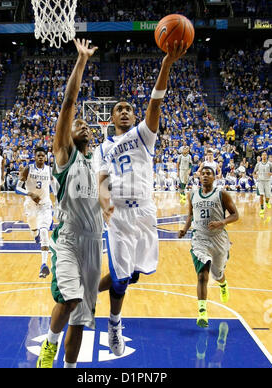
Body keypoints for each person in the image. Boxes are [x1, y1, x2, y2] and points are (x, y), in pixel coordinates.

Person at [97, 40, 188, 356]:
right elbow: (101, 177)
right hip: (119, 215)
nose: (124, 111)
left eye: (127, 109)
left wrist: (166, 65)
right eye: (118, 109)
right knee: (121, 281)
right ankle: (114, 325)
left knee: (133, 274)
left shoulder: (143, 134)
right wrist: (102, 196)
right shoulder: (103, 147)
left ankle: (85, 289)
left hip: (145, 212)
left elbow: (155, 102)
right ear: (110, 118)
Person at [36, 38, 102, 369]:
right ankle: (49, 343)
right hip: (69, 240)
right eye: (79, 124)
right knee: (71, 298)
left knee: (82, 316)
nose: (83, 125)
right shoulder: (65, 155)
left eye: (87, 124)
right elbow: (68, 103)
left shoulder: (97, 161)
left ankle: (70, 367)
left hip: (94, 244)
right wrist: (81, 61)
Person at [179, 166, 239, 328]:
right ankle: (202, 312)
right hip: (200, 238)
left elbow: (235, 215)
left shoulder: (222, 194)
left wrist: (222, 222)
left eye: (209, 174)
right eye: (203, 174)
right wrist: (185, 229)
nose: (205, 176)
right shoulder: (192, 194)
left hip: (218, 239)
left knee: (217, 274)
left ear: (214, 177)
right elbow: (191, 215)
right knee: (202, 274)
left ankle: (222, 284)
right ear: (199, 177)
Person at [16, 147, 53, 278]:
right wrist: (30, 193)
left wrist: (60, 201)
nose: (41, 157)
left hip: (45, 204)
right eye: (38, 155)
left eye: (43, 155)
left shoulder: (49, 170)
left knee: (44, 231)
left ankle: (44, 265)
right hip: (30, 204)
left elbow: (55, 187)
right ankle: (34, 233)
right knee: (33, 228)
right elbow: (17, 188)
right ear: (35, 157)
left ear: (46, 157)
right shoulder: (28, 169)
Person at [253, 151, 272, 218]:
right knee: (261, 194)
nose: (264, 156)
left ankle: (267, 202)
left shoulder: (270, 164)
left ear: (266, 156)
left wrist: (271, 173)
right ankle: (262, 208)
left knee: (268, 196)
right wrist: (255, 175)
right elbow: (254, 172)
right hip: (260, 181)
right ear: (261, 156)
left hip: (267, 181)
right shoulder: (258, 164)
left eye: (265, 155)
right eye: (263, 155)